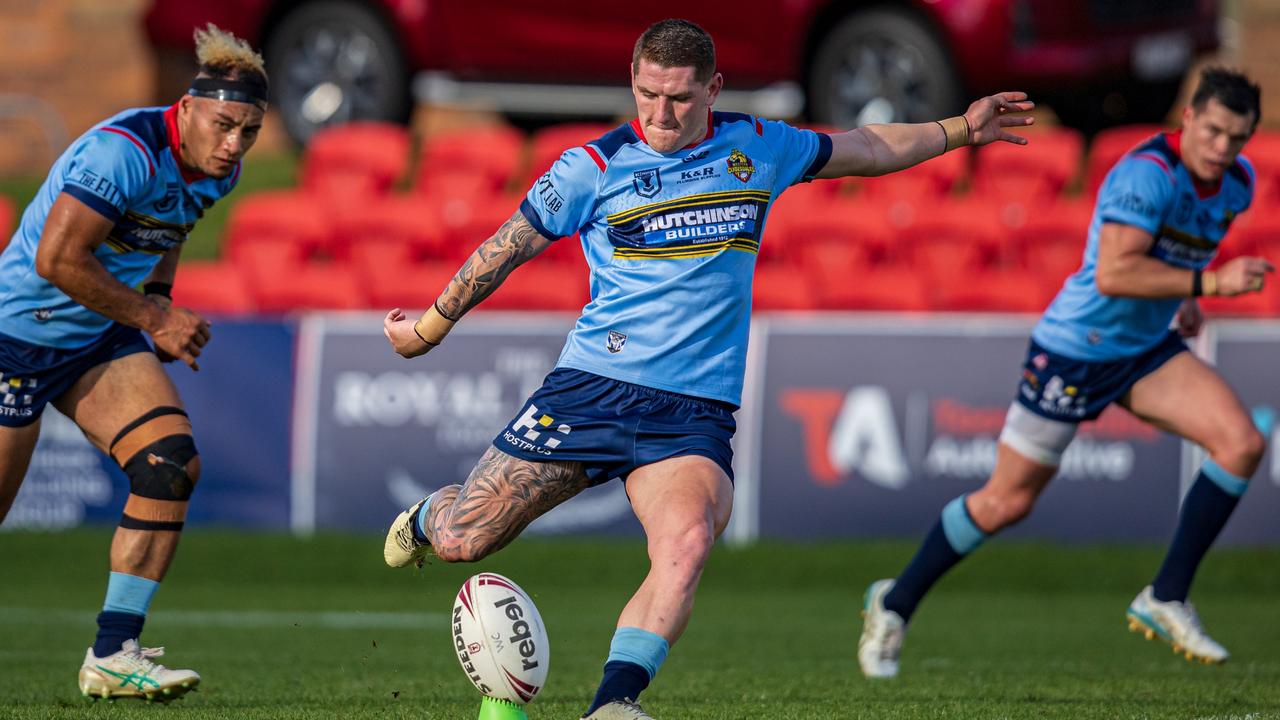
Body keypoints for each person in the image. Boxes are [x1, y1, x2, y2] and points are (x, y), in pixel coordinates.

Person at [383, 18, 1033, 719]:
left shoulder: (757, 146)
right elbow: (505, 249)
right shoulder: (591, 169)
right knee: (461, 542)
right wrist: (427, 328)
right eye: (647, 94)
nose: (661, 114)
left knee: (687, 543)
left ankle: (613, 705)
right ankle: (428, 514)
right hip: (591, 393)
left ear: (713, 89)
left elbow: (868, 146)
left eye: (681, 98)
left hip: (690, 415)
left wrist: (963, 129)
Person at [858, 67, 1271, 679]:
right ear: (1187, 119)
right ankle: (893, 602)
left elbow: (1172, 254)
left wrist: (1180, 298)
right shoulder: (1146, 175)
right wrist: (1209, 284)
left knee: (1240, 444)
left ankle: (1166, 596)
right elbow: (1114, 274)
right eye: (1211, 131)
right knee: (1005, 503)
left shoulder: (1237, 183)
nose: (1220, 148)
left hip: (1142, 348)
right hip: (1076, 349)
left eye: (1235, 138)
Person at [0, 24, 267, 701]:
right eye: (224, 124)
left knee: (169, 463)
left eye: (249, 132)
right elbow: (56, 260)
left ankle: (113, 654)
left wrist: (158, 300)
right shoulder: (121, 153)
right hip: (15, 337)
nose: (233, 143)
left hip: (96, 337)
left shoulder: (217, 169)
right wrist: (157, 319)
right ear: (187, 108)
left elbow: (168, 229)